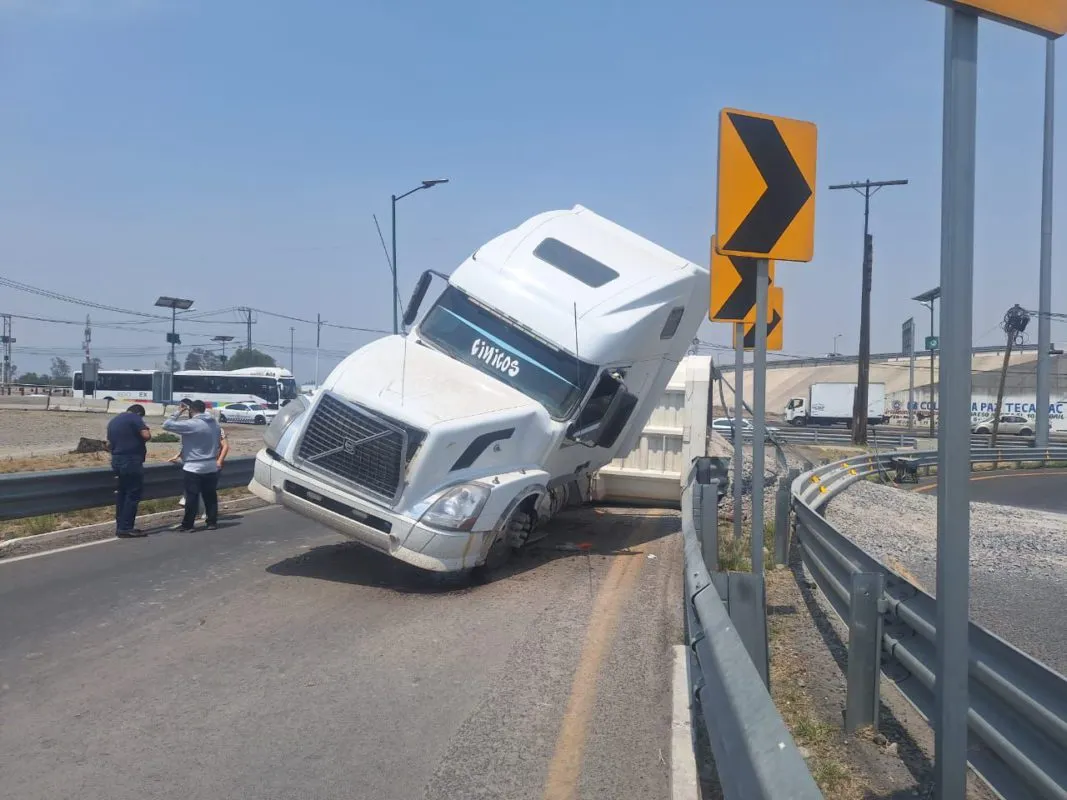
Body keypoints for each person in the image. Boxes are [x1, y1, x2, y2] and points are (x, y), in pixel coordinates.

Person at [163, 399, 224, 531]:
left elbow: (167, 425)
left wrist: (179, 411)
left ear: (191, 410)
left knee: (192, 496)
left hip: (193, 466)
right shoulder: (215, 424)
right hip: (211, 464)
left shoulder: (192, 424)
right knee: (210, 496)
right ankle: (212, 522)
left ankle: (188, 525)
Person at [105, 403, 151, 538]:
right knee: (133, 493)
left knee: (122, 493)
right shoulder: (135, 418)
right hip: (131, 460)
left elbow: (109, 444)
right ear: (139, 414)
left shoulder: (114, 421)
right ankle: (126, 528)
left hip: (116, 460)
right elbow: (146, 435)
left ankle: (121, 526)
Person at [170, 422, 229, 520]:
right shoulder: (193, 428)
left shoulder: (216, 429)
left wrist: (219, 461)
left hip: (211, 464)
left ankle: (208, 515)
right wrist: (178, 455)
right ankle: (200, 514)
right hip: (195, 464)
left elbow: (225, 446)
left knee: (208, 491)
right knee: (196, 489)